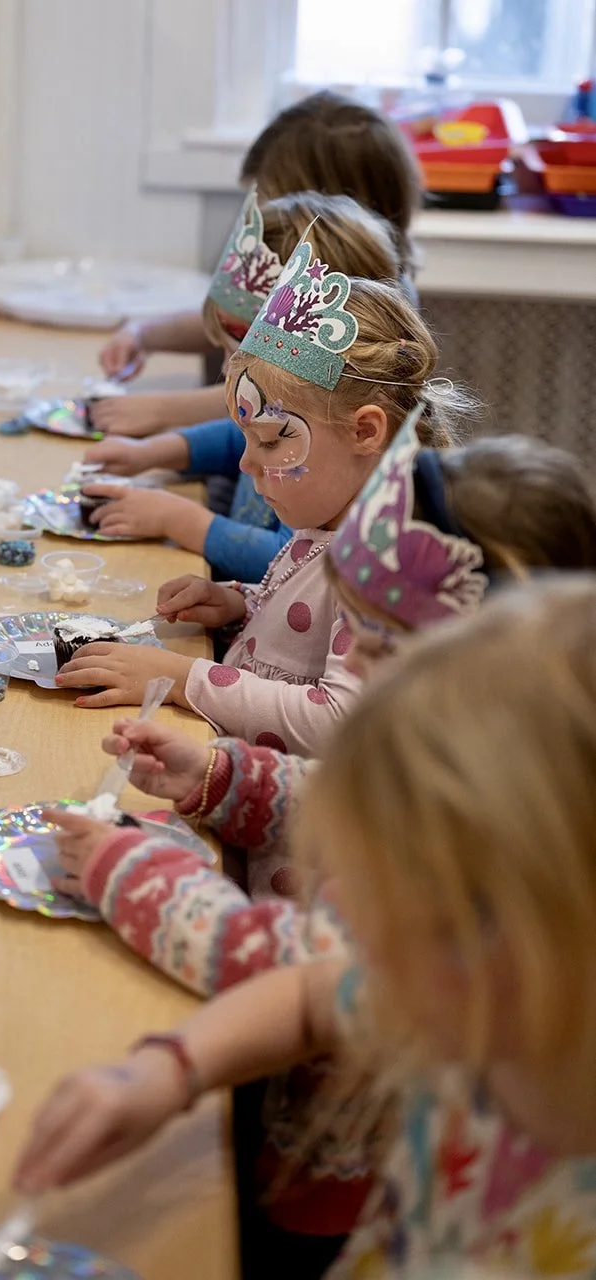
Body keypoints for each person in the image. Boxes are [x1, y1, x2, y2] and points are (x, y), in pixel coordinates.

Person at [49, 420, 596, 1272]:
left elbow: (275, 954)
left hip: (334, 1175)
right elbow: (325, 970)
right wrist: (221, 775)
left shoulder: (474, 918)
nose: (351, 668)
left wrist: (127, 866)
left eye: (374, 645)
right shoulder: (500, 812)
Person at [56, 258, 469, 754]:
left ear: (365, 431)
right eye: (247, 439)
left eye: (271, 441)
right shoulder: (336, 516)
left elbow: (338, 722)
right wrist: (240, 605)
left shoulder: (387, 565)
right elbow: (310, 630)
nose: (247, 463)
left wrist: (182, 677)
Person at [78, 191, 400, 584]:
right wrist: (152, 452)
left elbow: (289, 563)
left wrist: (177, 519)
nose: (228, 365)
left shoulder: (341, 488)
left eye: (239, 345)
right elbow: (239, 439)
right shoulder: (304, 438)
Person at [93, 91, 422, 438]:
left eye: (270, 199)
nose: (263, 217)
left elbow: (287, 395)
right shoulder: (318, 275)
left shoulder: (378, 312)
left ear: (320, 210)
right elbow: (237, 321)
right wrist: (144, 333)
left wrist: (165, 412)